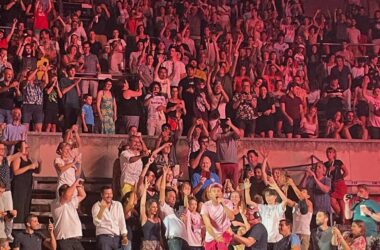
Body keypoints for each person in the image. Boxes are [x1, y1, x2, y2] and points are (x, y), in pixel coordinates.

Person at [51, 179, 86, 250]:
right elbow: (67, 195)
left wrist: (78, 186)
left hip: (75, 237)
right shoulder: (57, 202)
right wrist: (75, 182)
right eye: (68, 190)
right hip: (65, 238)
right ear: (62, 193)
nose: (72, 193)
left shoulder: (72, 201)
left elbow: (83, 195)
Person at [158, 166, 188, 249]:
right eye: (171, 196)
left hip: (184, 238)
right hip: (173, 239)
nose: (174, 198)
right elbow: (162, 189)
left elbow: (185, 207)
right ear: (165, 198)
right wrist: (164, 174)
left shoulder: (176, 210)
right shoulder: (164, 207)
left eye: (174, 196)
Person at [11, 141, 40, 224]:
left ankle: (24, 225)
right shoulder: (17, 158)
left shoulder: (28, 159)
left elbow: (36, 171)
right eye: (25, 147)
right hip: (19, 187)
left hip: (27, 186)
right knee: (19, 206)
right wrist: (29, 166)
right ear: (19, 149)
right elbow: (15, 172)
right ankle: (16, 227)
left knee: (26, 207)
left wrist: (39, 164)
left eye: (28, 147)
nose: (27, 149)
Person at [91, 186, 128, 250]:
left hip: (116, 238)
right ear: (102, 195)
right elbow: (96, 223)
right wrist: (102, 208)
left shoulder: (118, 205)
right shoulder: (96, 206)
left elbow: (121, 221)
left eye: (111, 193)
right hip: (104, 238)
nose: (109, 196)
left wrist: (124, 236)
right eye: (107, 194)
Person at [201, 183, 234, 250]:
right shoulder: (205, 206)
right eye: (214, 191)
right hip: (212, 236)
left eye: (218, 191)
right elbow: (208, 225)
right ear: (210, 194)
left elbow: (232, 217)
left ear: (222, 193)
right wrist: (216, 237)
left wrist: (223, 204)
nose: (216, 193)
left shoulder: (227, 202)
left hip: (225, 233)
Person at [210, 118, 242, 188]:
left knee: (235, 185)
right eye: (223, 126)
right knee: (220, 185)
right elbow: (211, 136)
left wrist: (230, 124)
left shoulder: (233, 134)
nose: (225, 127)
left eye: (226, 126)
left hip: (233, 163)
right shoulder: (219, 135)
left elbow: (239, 133)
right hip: (221, 164)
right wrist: (216, 125)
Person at [301, 162, 331, 228]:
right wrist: (306, 176)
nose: (316, 168)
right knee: (314, 233)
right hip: (313, 212)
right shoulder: (310, 179)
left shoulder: (327, 180)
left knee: (324, 233)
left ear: (324, 171)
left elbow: (325, 190)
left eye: (319, 167)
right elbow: (302, 188)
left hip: (324, 212)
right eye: (316, 167)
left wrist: (314, 177)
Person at [324, 147, 348, 224]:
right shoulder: (325, 164)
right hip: (332, 184)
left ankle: (343, 219)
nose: (329, 154)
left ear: (334, 154)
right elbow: (324, 175)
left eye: (331, 152)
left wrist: (340, 178)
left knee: (341, 201)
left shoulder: (338, 162)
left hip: (339, 183)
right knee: (332, 200)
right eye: (328, 152)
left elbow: (346, 172)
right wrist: (329, 170)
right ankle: (342, 216)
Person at [139, 177, 163, 250]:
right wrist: (145, 188)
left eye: (156, 207)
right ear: (149, 208)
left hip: (158, 245)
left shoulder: (158, 220)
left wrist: (162, 245)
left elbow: (160, 235)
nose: (156, 209)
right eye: (153, 207)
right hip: (147, 245)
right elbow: (142, 205)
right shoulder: (145, 219)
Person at [59, 65, 81, 130]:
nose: (72, 72)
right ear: (68, 71)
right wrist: (73, 84)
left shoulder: (76, 81)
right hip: (67, 104)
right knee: (67, 124)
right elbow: (63, 91)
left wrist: (76, 84)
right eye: (71, 70)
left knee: (73, 124)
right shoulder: (63, 80)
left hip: (75, 105)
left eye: (74, 70)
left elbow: (79, 94)